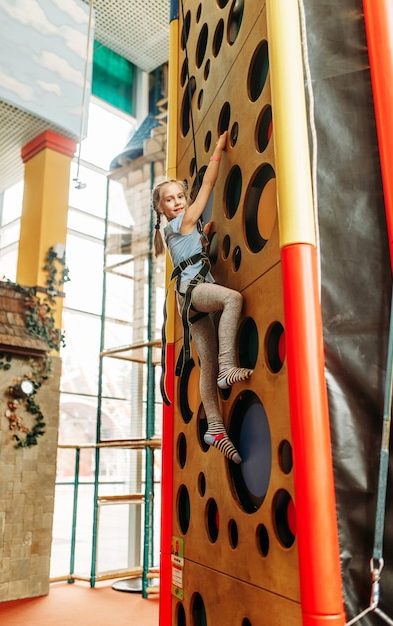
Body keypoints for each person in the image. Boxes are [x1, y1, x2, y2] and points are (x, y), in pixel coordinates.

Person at [153, 131, 253, 464]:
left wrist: (202, 237)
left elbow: (190, 252)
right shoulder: (183, 222)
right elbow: (207, 188)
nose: (179, 201)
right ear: (161, 208)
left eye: (180, 195)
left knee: (204, 366)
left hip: (188, 301)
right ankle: (229, 366)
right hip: (194, 293)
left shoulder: (175, 231)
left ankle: (215, 429)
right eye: (170, 199)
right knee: (233, 299)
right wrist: (217, 152)